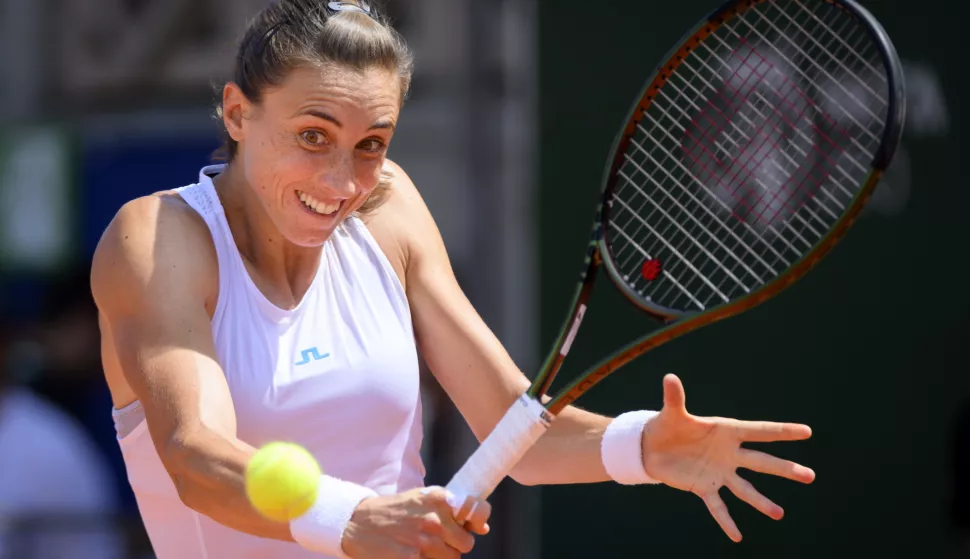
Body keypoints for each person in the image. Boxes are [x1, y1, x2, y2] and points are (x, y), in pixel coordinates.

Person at [91, 1, 816, 558]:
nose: (342, 180)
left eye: (370, 144)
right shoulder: (157, 239)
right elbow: (195, 455)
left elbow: (519, 433)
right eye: (313, 136)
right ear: (237, 112)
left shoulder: (390, 209)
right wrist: (355, 518)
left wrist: (644, 447)